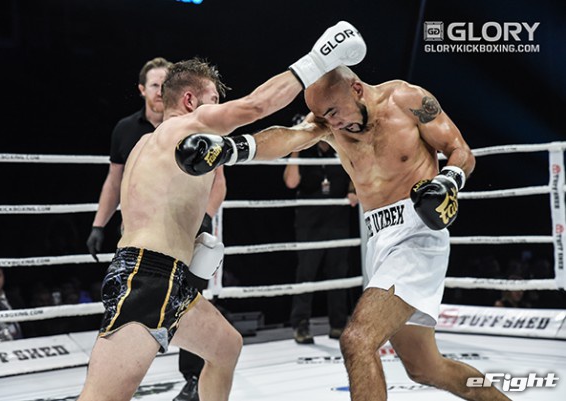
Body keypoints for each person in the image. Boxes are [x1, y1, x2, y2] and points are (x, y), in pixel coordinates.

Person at [176, 65, 511, 399]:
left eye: (334, 112)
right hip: (379, 240)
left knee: (357, 341)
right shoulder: (328, 121)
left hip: (416, 236)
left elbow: (460, 150)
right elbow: (288, 137)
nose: (332, 124)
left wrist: (448, 181)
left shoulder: (407, 99)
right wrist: (232, 149)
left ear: (357, 89)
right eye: (324, 116)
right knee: (425, 367)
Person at [77, 21, 366, 401]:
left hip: (168, 276)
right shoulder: (188, 125)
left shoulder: (149, 144)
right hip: (147, 280)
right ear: (189, 100)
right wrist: (318, 60)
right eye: (213, 100)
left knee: (226, 347)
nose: (219, 111)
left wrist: (317, 130)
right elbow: (257, 106)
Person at [86, 57, 173, 262]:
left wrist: (206, 217)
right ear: (142, 89)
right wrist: (98, 225)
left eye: (165, 86)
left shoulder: (188, 127)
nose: (160, 92)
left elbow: (214, 177)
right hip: (135, 231)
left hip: (178, 227)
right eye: (154, 85)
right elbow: (114, 181)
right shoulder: (125, 129)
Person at [283, 140, 356, 344]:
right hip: (309, 221)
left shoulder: (341, 148)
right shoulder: (304, 151)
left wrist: (353, 190)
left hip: (337, 218)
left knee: (338, 273)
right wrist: (295, 150)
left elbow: (355, 173)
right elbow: (291, 182)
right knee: (306, 273)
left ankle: (338, 324)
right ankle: (300, 325)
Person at [174, 166, 227, 401]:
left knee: (191, 300)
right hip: (156, 226)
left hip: (195, 226)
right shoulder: (139, 144)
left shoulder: (204, 143)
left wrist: (207, 215)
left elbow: (219, 179)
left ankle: (193, 378)